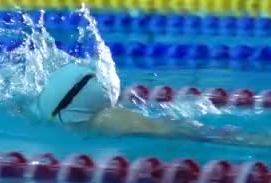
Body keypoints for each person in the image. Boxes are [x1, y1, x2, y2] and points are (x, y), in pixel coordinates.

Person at [35, 62, 271, 148]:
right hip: (72, 92)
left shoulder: (101, 119)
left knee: (180, 131)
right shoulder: (103, 118)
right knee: (175, 129)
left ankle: (257, 140)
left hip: (68, 101)